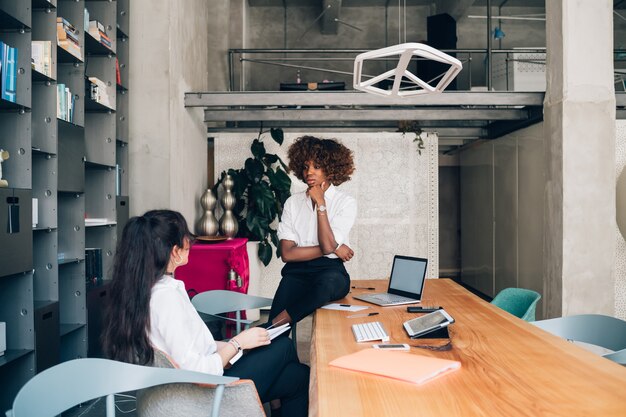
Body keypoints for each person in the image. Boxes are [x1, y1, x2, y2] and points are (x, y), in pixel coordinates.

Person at [102, 210, 309, 417]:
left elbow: (194, 348)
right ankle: (276, 404)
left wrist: (237, 345)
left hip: (178, 388)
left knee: (297, 376)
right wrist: (238, 344)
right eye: (186, 236)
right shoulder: (165, 299)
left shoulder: (144, 290)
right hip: (196, 396)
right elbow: (196, 371)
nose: (190, 241)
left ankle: (277, 404)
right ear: (175, 251)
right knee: (283, 346)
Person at [269, 136, 357, 328]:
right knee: (272, 335)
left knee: (324, 287)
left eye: (316, 166)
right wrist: (335, 248)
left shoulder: (346, 203)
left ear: (330, 168)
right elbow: (287, 254)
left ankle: (280, 322)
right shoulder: (293, 202)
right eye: (306, 166)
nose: (309, 172)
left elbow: (327, 245)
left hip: (330, 272)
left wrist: (321, 204)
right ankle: (278, 340)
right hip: (297, 272)